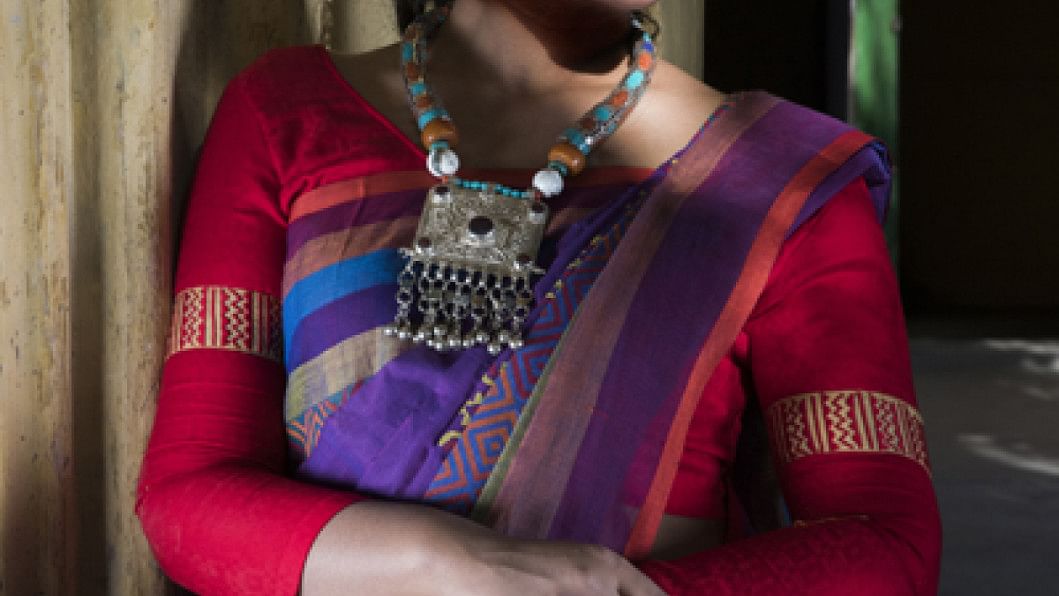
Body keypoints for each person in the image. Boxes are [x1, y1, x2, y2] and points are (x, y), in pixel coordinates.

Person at [136, 0, 942, 594]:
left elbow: (883, 542)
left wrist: (617, 591)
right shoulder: (285, 117)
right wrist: (448, 567)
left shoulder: (779, 182)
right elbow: (189, 492)